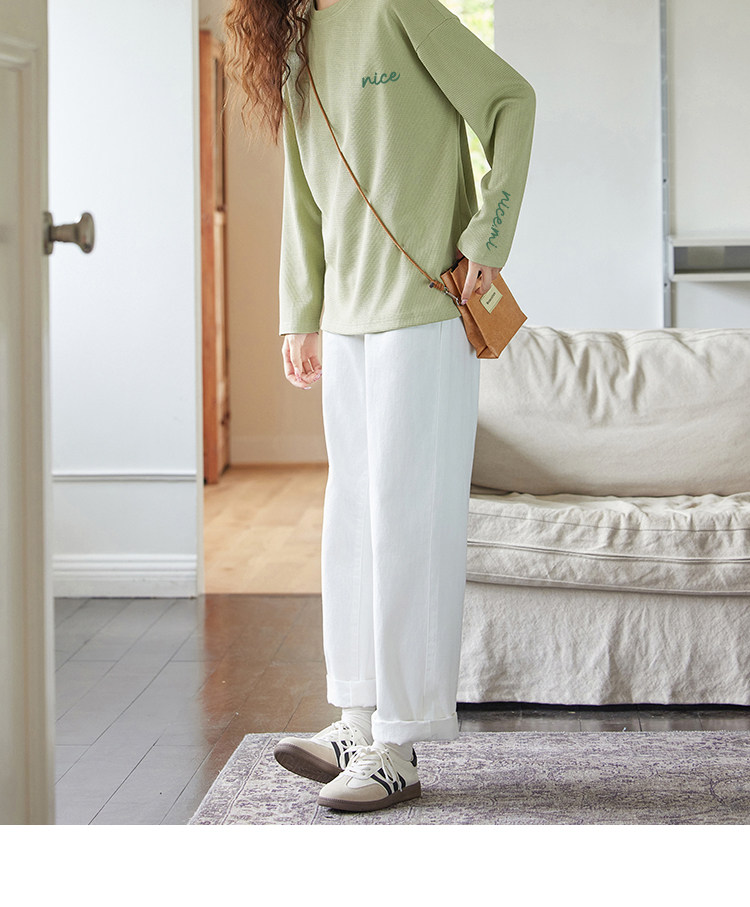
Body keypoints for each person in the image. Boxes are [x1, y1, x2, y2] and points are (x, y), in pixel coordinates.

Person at [222, 0, 535, 813]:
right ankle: (357, 719)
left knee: (407, 524)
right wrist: (301, 311)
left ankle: (398, 741)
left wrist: (487, 238)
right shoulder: (294, 36)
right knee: (352, 523)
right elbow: (302, 188)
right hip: (348, 320)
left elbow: (511, 101)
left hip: (424, 313)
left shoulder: (398, 7)